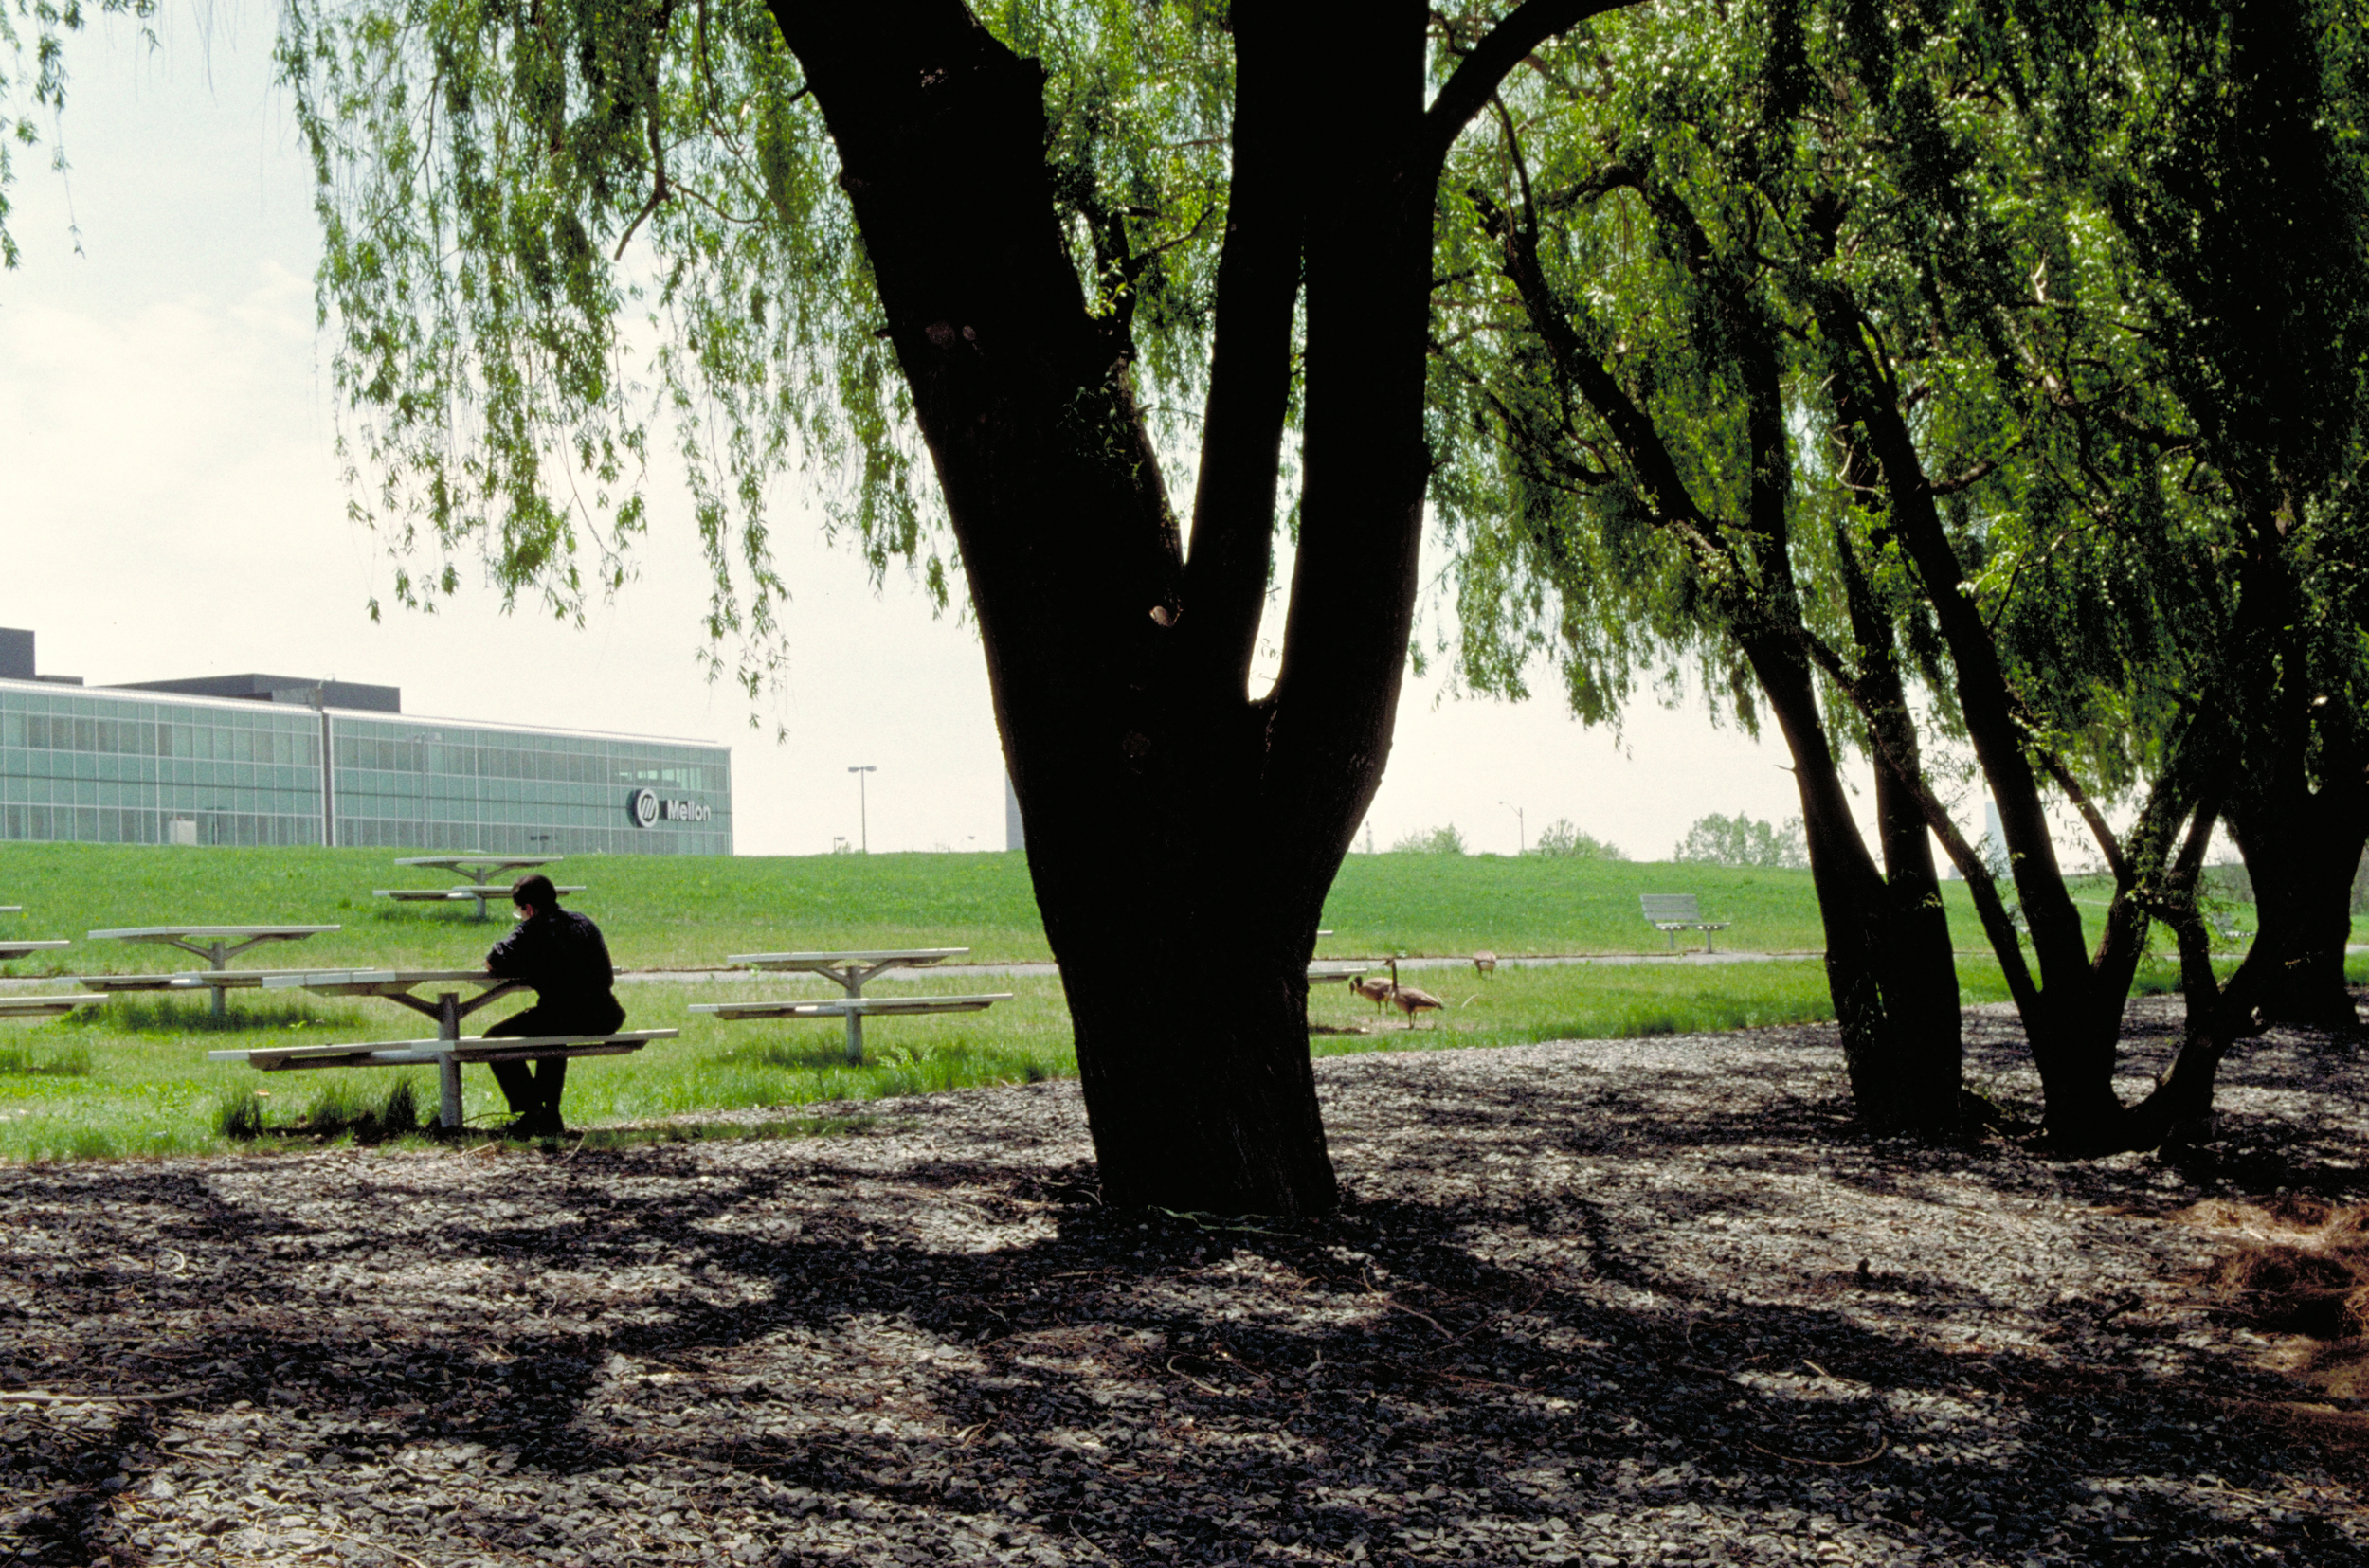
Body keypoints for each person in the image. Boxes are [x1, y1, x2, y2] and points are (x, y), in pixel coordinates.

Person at [480, 873, 624, 1136]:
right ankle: (549, 1114)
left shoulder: (533, 929)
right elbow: (607, 976)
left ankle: (534, 1112)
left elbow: (493, 960)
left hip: (563, 1014)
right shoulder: (584, 923)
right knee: (551, 1036)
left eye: (520, 912)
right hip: (605, 1014)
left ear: (529, 909)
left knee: (493, 1040)